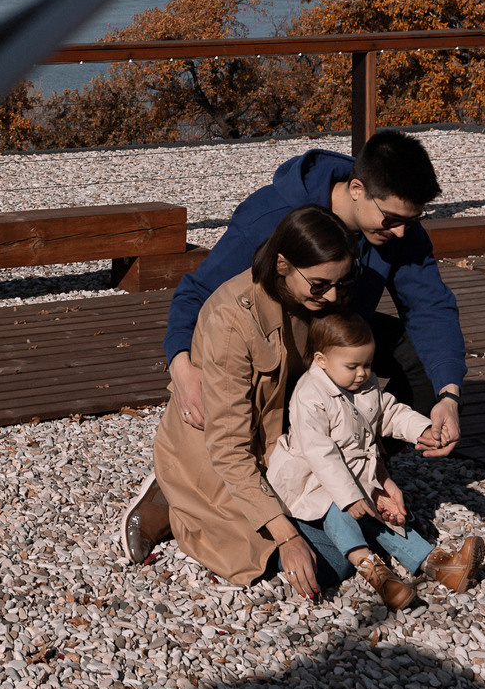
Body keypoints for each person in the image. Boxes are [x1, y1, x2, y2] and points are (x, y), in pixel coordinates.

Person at [163, 129, 466, 456]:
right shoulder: (271, 215)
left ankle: (364, 458)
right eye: (391, 219)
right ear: (356, 189)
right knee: (256, 450)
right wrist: (181, 368)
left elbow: (430, 309)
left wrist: (448, 396)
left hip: (332, 335)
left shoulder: (401, 230)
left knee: (425, 360)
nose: (402, 231)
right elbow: (198, 292)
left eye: (412, 220)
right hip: (270, 350)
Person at [117, 205, 352, 596]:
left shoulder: (318, 297)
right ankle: (173, 500)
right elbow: (228, 448)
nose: (331, 296)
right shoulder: (233, 319)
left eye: (341, 284)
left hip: (279, 445)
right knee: (328, 562)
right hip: (220, 457)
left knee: (352, 528)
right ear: (282, 265)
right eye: (319, 285)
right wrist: (286, 538)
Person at [268, 310, 482, 608]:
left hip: (352, 472)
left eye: (368, 364)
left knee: (381, 517)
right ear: (321, 361)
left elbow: (390, 412)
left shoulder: (364, 384)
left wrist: (421, 429)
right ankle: (378, 575)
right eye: (352, 366)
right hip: (311, 481)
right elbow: (321, 453)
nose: (362, 373)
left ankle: (439, 565)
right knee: (338, 511)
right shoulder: (309, 395)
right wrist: (348, 496)